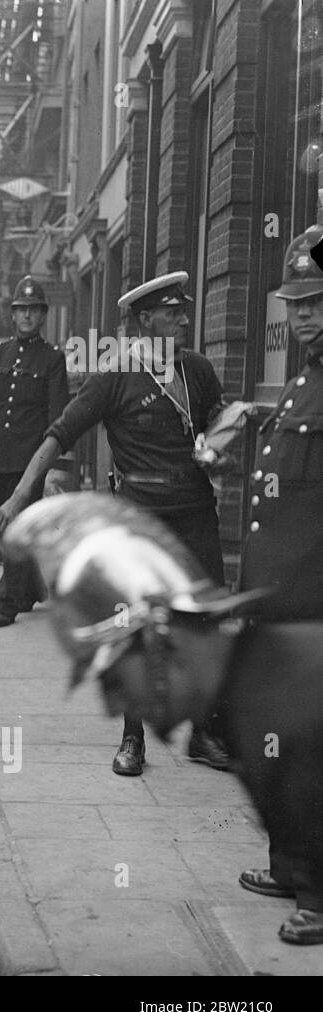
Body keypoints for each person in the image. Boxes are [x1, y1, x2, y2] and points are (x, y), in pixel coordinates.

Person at [0, 270, 231, 776]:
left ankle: (204, 734)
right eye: (173, 313)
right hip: (139, 519)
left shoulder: (197, 369)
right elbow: (61, 433)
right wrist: (20, 494)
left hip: (195, 514)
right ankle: (132, 739)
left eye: (183, 311)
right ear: (146, 320)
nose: (184, 319)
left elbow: (216, 420)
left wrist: (223, 441)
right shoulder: (114, 374)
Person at [234, 225, 323, 944]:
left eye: (316, 302)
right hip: (284, 599)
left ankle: (320, 896)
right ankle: (291, 866)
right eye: (296, 304)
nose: (303, 316)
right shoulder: (302, 382)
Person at [0, 278, 70, 627]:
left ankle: (6, 603)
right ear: (13, 316)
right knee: (4, 528)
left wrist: (52, 464)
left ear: (43, 315)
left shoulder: (53, 359)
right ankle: (29, 590)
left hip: (31, 460)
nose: (27, 316)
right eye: (21, 310)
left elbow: (58, 415)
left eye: (33, 310)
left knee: (15, 529)